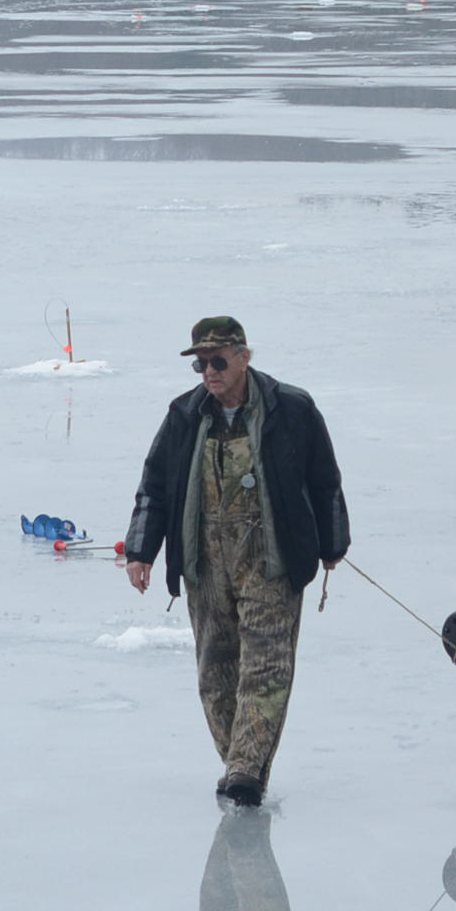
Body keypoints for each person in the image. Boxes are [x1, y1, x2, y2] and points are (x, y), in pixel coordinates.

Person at [124, 317, 351, 806]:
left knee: (266, 668)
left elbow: (325, 480)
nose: (209, 371)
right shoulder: (184, 415)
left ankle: (247, 769)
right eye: (201, 364)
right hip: (205, 564)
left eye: (218, 361)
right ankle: (237, 760)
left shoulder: (291, 409)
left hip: (270, 561)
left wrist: (332, 545)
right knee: (216, 671)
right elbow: (155, 486)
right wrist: (141, 551)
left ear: (244, 357)